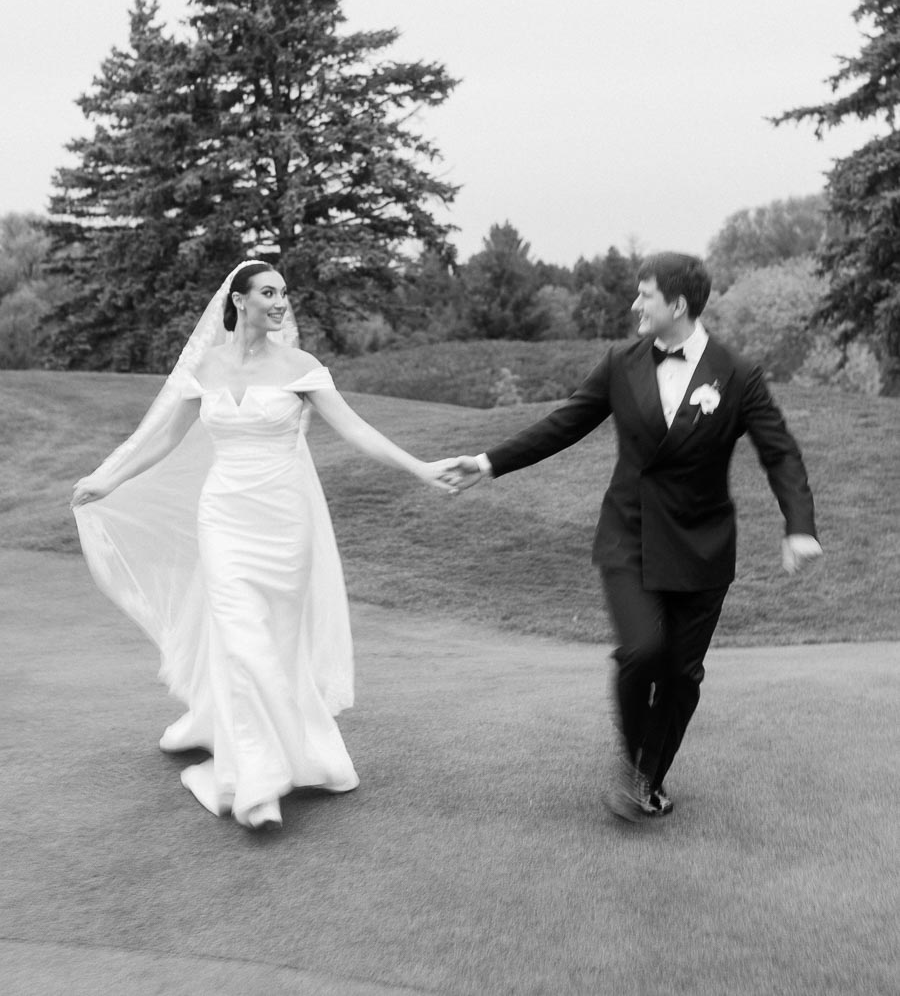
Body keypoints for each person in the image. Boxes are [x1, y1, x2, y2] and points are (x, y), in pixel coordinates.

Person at [72, 260, 454, 831]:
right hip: (224, 516)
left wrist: (421, 468)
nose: (280, 303)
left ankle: (292, 752)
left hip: (284, 523)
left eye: (283, 294)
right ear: (240, 301)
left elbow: (356, 430)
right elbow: (167, 441)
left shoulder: (301, 366)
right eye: (269, 293)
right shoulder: (206, 366)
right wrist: (110, 479)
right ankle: (258, 782)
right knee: (241, 642)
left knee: (273, 642)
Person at [443, 252, 822, 821]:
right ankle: (633, 766)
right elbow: (566, 421)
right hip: (630, 535)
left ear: (678, 304)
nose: (634, 305)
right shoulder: (621, 362)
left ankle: (648, 775)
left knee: (681, 675)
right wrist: (487, 461)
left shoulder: (738, 375)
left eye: (644, 295)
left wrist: (798, 527)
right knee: (641, 650)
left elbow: (780, 453)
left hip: (702, 544)